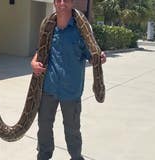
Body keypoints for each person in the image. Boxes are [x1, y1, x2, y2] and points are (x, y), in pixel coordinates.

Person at [31, 0, 106, 160]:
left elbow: (91, 56)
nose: (62, 3)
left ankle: (76, 157)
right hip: (48, 88)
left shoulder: (82, 30)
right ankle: (43, 156)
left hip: (71, 91)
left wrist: (98, 58)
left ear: (72, 2)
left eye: (66, 0)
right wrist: (33, 62)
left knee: (72, 130)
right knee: (44, 127)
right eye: (58, 0)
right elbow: (40, 51)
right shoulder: (48, 27)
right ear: (54, 3)